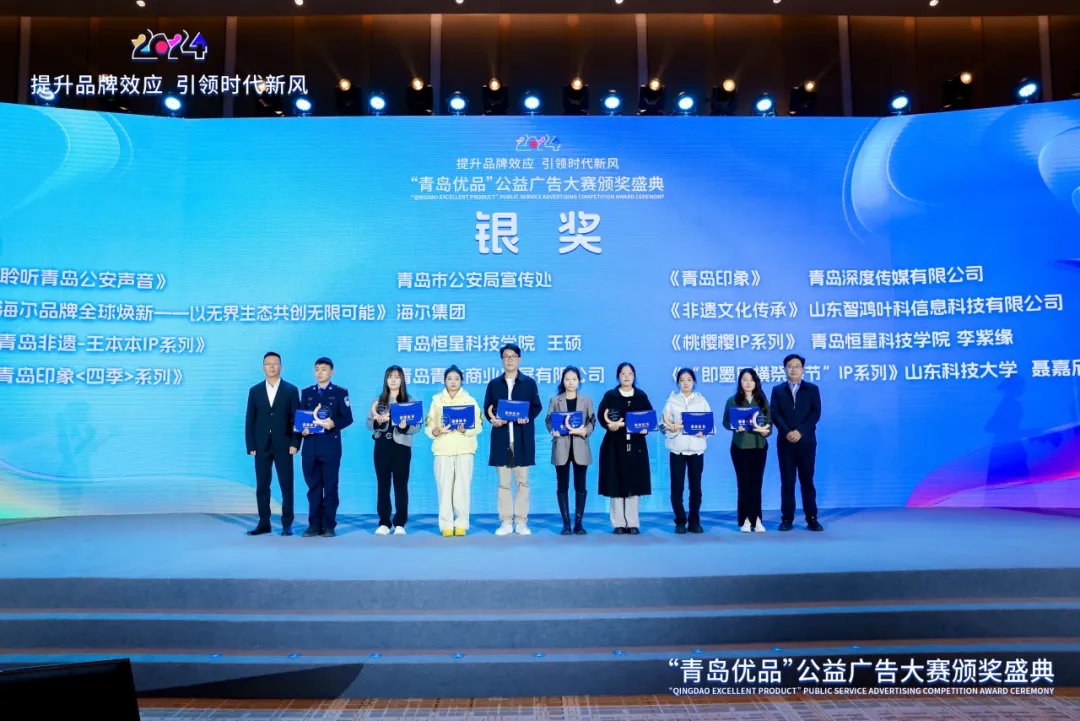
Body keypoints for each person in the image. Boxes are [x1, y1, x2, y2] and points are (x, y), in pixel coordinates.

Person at [483, 343, 543, 536]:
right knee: (504, 483)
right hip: (502, 438)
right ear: (502, 360)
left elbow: (536, 407)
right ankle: (506, 522)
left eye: (513, 356)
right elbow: (487, 408)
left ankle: (521, 522)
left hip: (522, 438)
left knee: (523, 482)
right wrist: (493, 420)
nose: (510, 359)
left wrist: (528, 417)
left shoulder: (529, 383)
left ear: (519, 359)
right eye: (506, 356)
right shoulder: (494, 384)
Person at [244, 351, 300, 536]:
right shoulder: (255, 391)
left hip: (284, 444)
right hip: (261, 445)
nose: (272, 366)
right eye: (268, 364)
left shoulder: (291, 390)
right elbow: (250, 419)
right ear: (263, 368)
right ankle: (264, 522)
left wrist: (295, 442)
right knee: (262, 485)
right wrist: (251, 445)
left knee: (286, 485)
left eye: (275, 363)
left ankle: (287, 523)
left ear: (281, 367)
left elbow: (297, 419)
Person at [298, 357, 354, 537]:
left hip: (330, 447)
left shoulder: (340, 393)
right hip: (310, 447)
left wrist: (333, 423)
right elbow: (301, 418)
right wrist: (302, 429)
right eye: (317, 369)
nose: (319, 372)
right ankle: (314, 525)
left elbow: (348, 418)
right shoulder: (306, 393)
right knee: (313, 488)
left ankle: (329, 525)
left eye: (323, 369)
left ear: (332, 372)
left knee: (330, 487)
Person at [425, 365, 483, 536]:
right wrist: (435, 431)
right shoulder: (437, 401)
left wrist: (466, 429)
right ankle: (446, 525)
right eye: (449, 379)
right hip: (443, 449)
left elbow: (478, 424)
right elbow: (429, 425)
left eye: (456, 379)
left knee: (462, 488)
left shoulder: (469, 400)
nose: (453, 382)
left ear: (461, 381)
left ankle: (462, 523)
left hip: (465, 449)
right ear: (444, 381)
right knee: (444, 488)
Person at [597, 362, 653, 534]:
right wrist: (609, 425)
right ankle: (618, 523)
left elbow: (649, 418)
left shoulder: (641, 396)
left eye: (630, 373)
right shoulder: (610, 395)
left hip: (636, 445)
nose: (626, 376)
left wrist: (645, 428)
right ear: (618, 376)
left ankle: (633, 523)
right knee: (616, 482)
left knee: (634, 482)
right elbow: (601, 415)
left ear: (634, 376)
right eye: (623, 373)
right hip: (614, 444)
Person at [769, 354, 823, 532]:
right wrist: (787, 432)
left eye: (797, 366)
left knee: (807, 481)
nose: (793, 369)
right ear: (785, 369)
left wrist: (800, 431)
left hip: (806, 442)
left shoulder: (812, 389)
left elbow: (816, 413)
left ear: (803, 369)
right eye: (790, 366)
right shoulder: (778, 390)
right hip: (785, 443)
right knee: (787, 482)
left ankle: (812, 518)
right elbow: (774, 413)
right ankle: (787, 519)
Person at [365, 365, 422, 536]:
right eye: (390, 377)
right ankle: (384, 522)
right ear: (386, 380)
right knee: (383, 485)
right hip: (382, 446)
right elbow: (369, 423)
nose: (393, 380)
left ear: (402, 380)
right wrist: (378, 421)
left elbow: (417, 426)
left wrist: (405, 427)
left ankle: (400, 523)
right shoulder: (379, 401)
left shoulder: (409, 400)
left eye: (397, 377)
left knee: (400, 486)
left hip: (401, 448)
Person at [544, 366, 595, 535]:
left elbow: (592, 421)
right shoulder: (555, 400)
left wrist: (585, 430)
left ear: (579, 381)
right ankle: (566, 523)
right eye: (567, 379)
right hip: (561, 446)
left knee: (581, 485)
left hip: (580, 446)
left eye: (574, 379)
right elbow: (549, 421)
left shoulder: (586, 400)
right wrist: (553, 430)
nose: (571, 382)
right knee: (562, 485)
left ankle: (579, 523)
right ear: (562, 381)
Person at [660, 368, 711, 534]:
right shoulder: (671, 401)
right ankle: (680, 520)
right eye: (682, 380)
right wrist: (670, 428)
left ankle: (695, 521)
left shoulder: (701, 400)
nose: (686, 383)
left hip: (696, 449)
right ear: (678, 383)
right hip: (677, 449)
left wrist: (704, 431)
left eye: (689, 379)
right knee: (677, 487)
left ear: (694, 382)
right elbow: (662, 423)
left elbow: (710, 424)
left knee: (696, 487)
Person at [722, 368, 773, 533]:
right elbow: (725, 422)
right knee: (744, 484)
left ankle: (757, 519)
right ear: (740, 382)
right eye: (744, 379)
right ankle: (745, 520)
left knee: (756, 484)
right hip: (740, 447)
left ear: (756, 382)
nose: (748, 383)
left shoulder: (762, 401)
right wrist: (734, 427)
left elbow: (769, 424)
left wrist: (765, 431)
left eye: (751, 379)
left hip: (759, 446)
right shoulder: (733, 401)